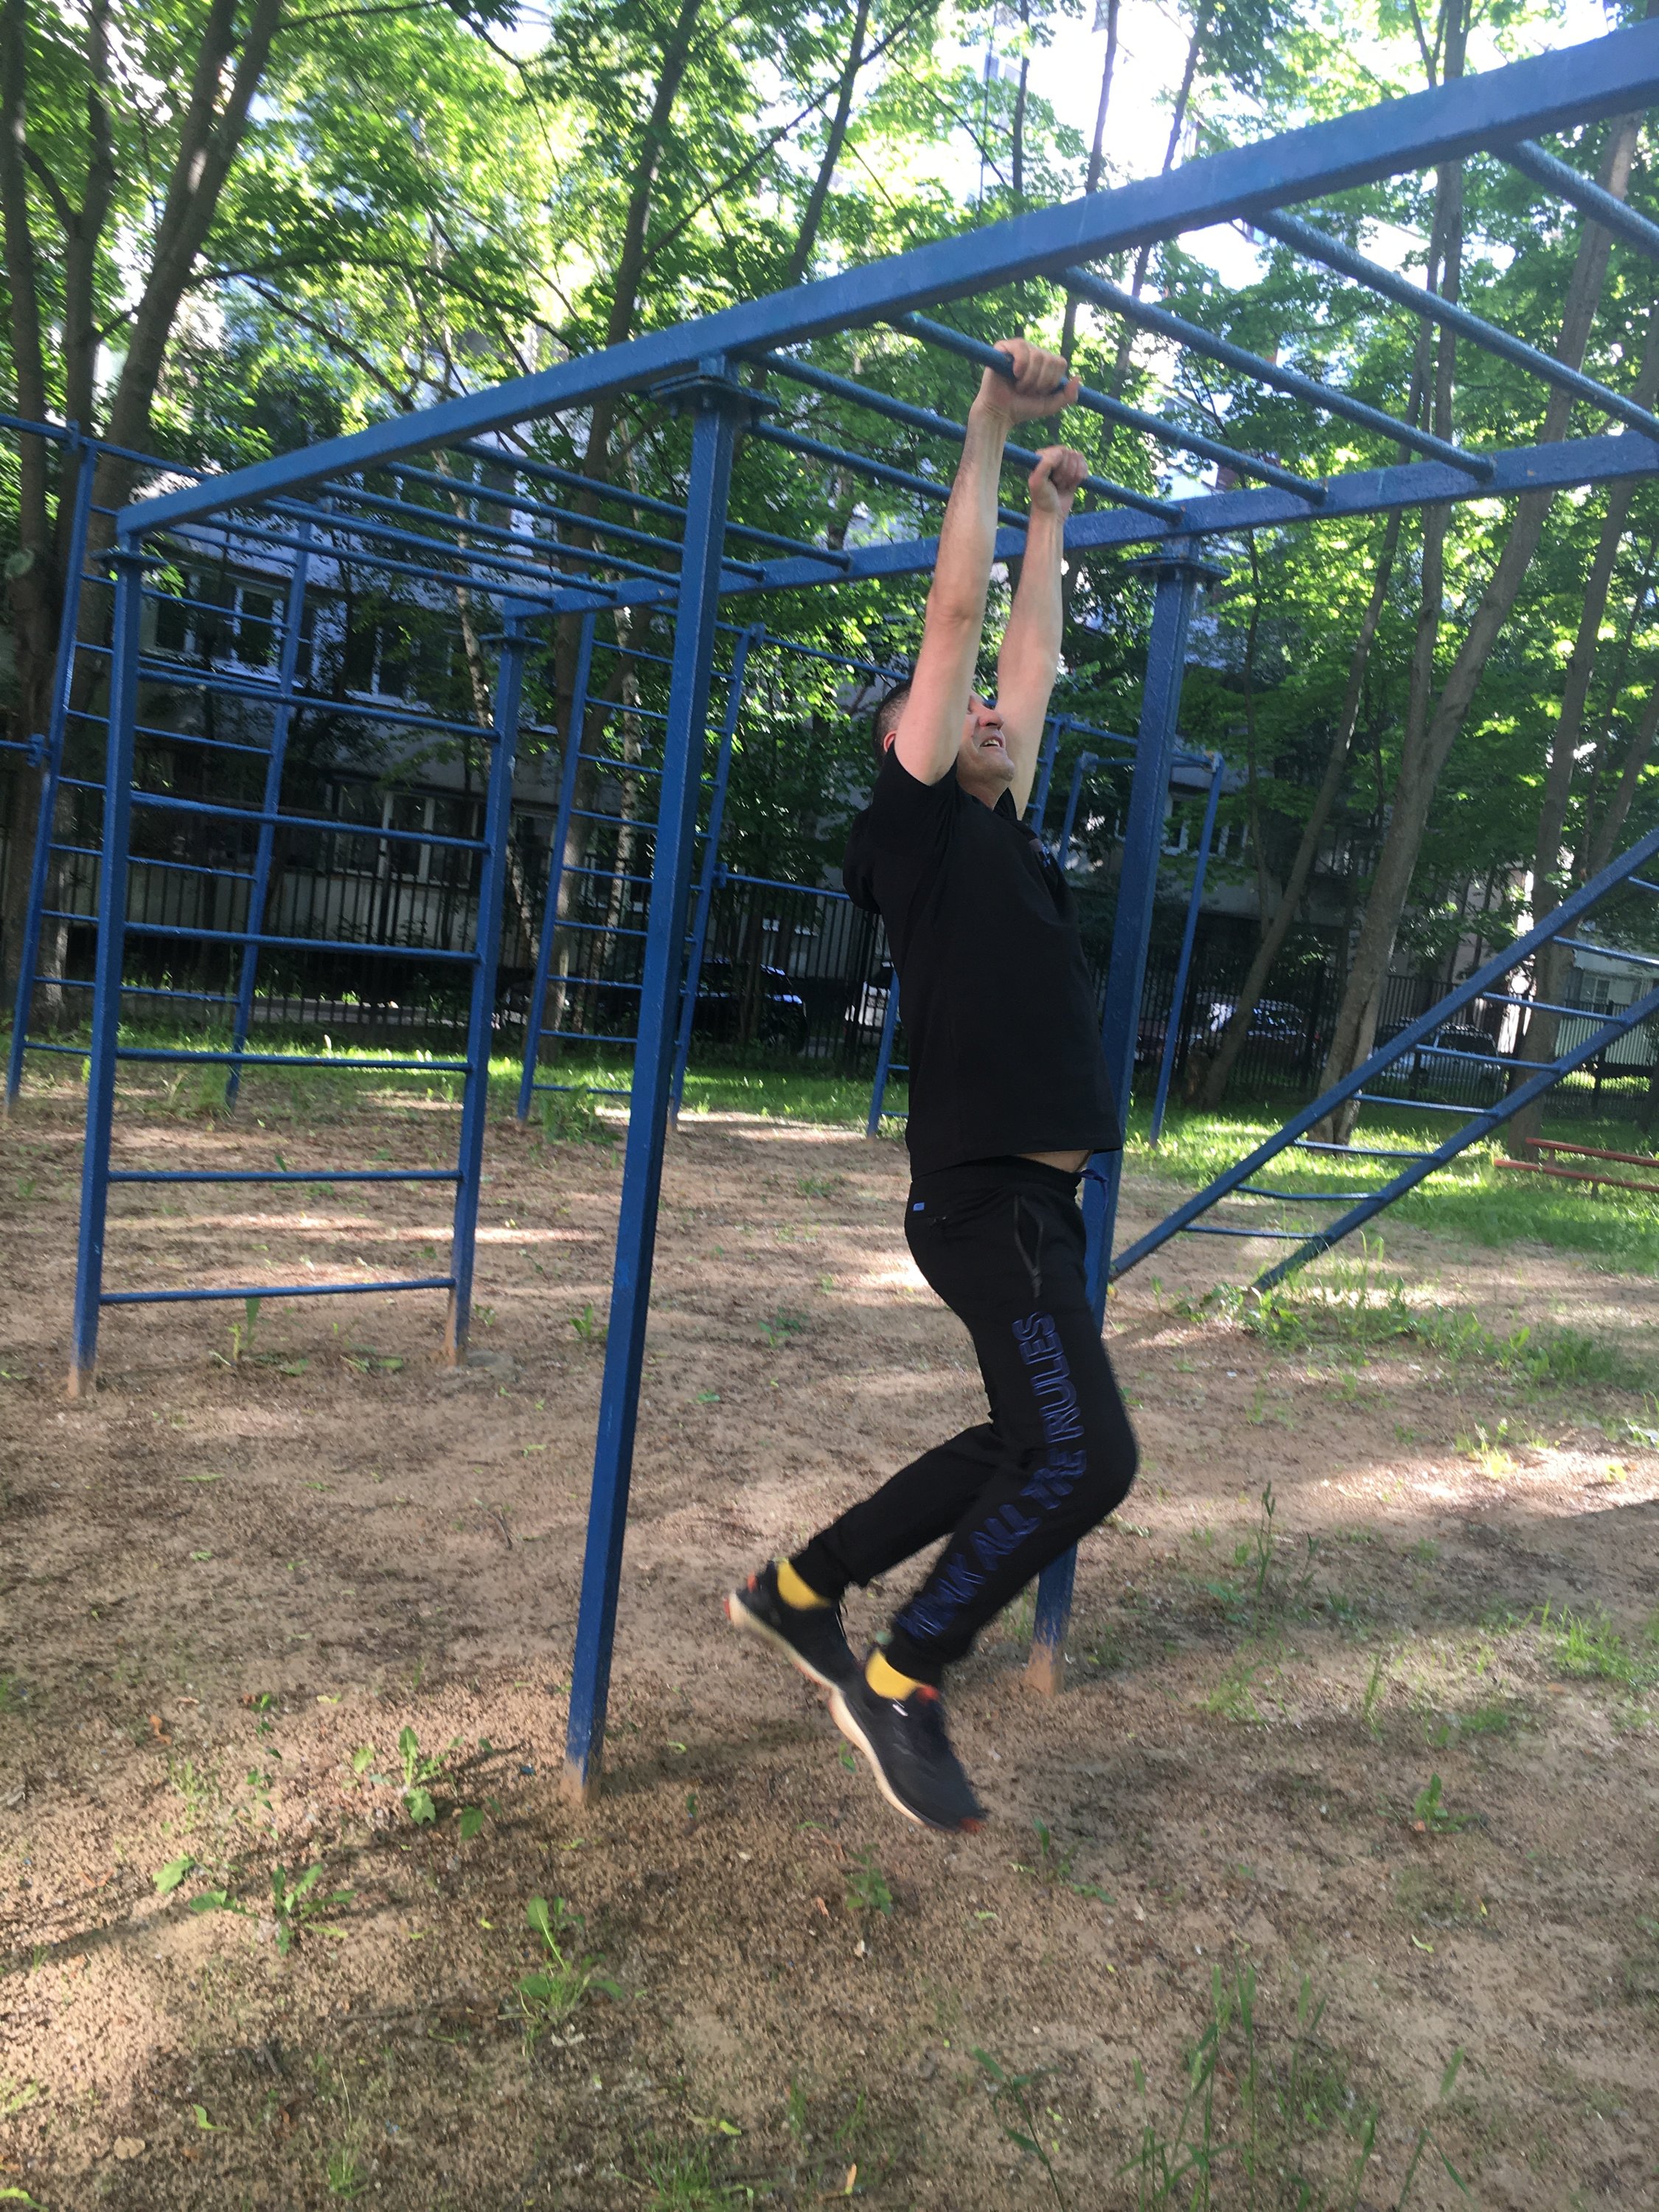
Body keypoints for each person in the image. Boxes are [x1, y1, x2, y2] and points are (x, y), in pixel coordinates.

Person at [726, 336, 1138, 1832]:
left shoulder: (1004, 829)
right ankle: (903, 1674)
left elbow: (1026, 659)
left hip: (1037, 1209)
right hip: (981, 1205)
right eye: (953, 711)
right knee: (1085, 1458)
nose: (986, 716)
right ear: (905, 736)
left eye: (992, 722)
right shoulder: (915, 837)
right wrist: (984, 430)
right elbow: (959, 624)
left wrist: (1050, 516)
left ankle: (801, 1588)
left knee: (1023, 1444)